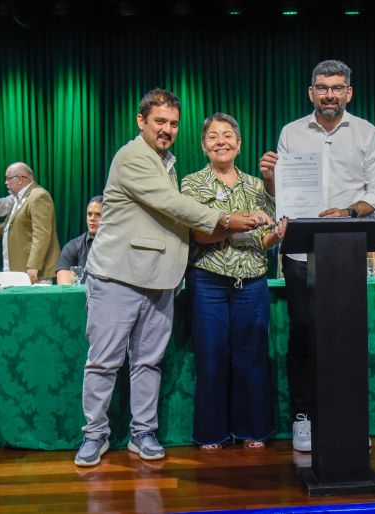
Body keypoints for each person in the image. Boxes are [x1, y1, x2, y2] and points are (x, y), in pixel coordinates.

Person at [75, 89, 267, 467]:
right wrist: (227, 219)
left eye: (174, 123)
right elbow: (174, 205)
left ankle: (142, 432)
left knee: (148, 362)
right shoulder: (132, 156)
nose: (167, 129)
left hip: (161, 279)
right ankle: (94, 435)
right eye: (160, 121)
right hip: (118, 276)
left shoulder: (167, 162)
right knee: (104, 362)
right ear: (141, 121)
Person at [258, 59, 375, 452]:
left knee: (347, 337)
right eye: (322, 88)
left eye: (337, 88)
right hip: (300, 255)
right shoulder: (291, 133)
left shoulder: (367, 133)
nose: (329, 94)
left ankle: (349, 418)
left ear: (349, 92)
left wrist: (348, 213)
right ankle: (304, 416)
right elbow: (281, 197)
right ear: (311, 92)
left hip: (347, 254)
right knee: (303, 335)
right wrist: (270, 180)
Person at [182, 113, 286, 451]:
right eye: (213, 136)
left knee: (252, 358)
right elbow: (197, 233)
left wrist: (277, 235)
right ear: (203, 145)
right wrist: (235, 224)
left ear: (239, 144)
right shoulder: (192, 184)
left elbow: (262, 240)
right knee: (211, 357)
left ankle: (253, 430)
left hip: (252, 282)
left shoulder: (256, 185)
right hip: (208, 282)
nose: (221, 142)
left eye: (228, 135)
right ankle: (211, 433)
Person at [1, 162, 61, 284]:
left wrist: (34, 265)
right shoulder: (19, 199)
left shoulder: (38, 196)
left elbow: (42, 234)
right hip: (17, 269)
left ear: (19, 179)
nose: (6, 183)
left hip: (33, 273)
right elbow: (8, 227)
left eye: (8, 178)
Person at [56, 196, 103, 285]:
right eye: (89, 214)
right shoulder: (72, 247)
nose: (92, 218)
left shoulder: (118, 247)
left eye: (98, 214)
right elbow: (65, 287)